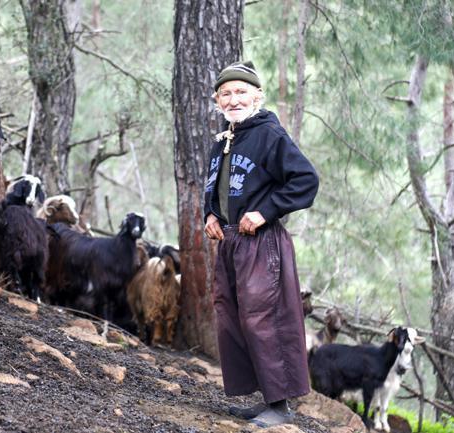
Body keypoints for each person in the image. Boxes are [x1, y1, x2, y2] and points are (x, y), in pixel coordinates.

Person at [203, 60, 319, 428]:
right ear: (217, 99)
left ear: (257, 95)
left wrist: (265, 211)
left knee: (264, 320)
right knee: (232, 319)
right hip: (231, 243)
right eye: (226, 93)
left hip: (261, 243)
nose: (234, 99)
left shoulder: (270, 134)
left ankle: (281, 405)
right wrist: (210, 215)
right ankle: (265, 399)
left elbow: (305, 180)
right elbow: (216, 188)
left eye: (241, 92)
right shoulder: (225, 138)